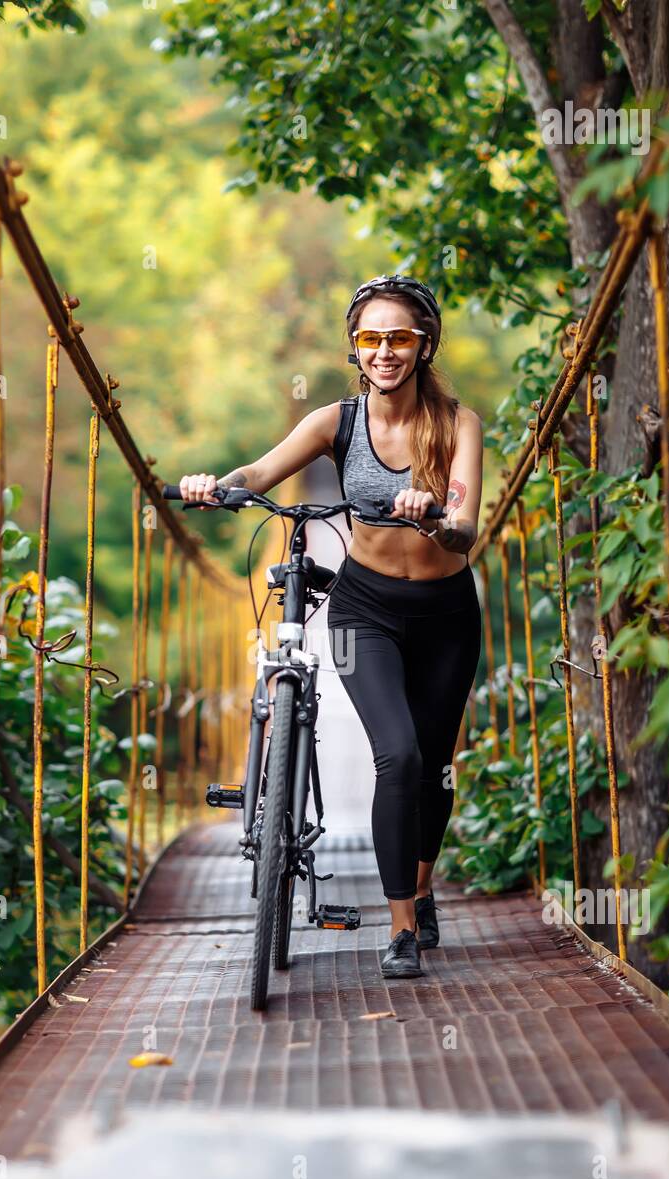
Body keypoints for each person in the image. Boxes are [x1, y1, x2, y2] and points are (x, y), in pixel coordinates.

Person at [178, 274, 483, 979]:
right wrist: (214, 487)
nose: (384, 351)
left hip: (445, 613)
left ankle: (425, 886)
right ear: (355, 347)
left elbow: (466, 527)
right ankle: (401, 925)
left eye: (399, 338)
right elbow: (258, 471)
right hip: (365, 610)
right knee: (399, 757)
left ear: (423, 344)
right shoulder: (334, 423)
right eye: (370, 338)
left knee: (435, 768)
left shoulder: (456, 423)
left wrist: (437, 516)